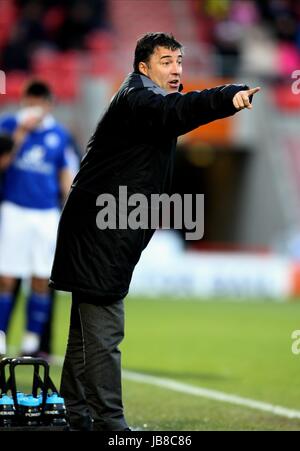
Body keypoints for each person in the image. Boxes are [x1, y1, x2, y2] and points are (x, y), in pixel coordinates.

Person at [49, 32, 260, 431]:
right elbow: (178, 112)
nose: (177, 68)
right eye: (166, 61)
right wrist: (226, 97)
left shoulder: (145, 100)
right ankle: (113, 425)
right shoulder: (139, 99)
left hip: (101, 228)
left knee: (86, 333)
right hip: (100, 232)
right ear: (143, 68)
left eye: (179, 60)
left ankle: (77, 417)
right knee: (106, 331)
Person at [0, 80, 74, 357]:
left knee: (41, 278)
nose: (34, 108)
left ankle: (32, 343)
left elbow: (65, 172)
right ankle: (1, 337)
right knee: (6, 278)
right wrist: (21, 133)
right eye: (30, 102)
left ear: (48, 106)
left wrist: (72, 204)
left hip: (45, 212)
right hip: (14, 208)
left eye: (39, 103)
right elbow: (3, 163)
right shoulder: (9, 125)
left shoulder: (59, 134)